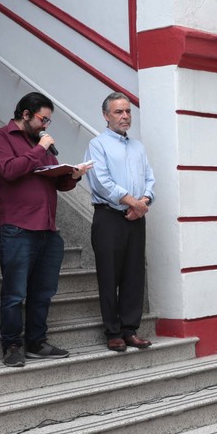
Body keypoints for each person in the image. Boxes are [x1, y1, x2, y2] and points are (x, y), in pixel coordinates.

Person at [0, 92, 92, 367]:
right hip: (17, 229)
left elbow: (56, 183)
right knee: (14, 293)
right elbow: (9, 170)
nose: (46, 125)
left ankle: (36, 342)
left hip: (48, 229)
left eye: (48, 121)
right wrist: (39, 149)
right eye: (43, 119)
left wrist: (73, 175)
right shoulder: (0, 138)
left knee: (43, 292)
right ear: (26, 114)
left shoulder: (40, 144)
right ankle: (12, 345)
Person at [84, 92, 156, 352]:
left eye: (127, 111)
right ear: (106, 116)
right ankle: (113, 332)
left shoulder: (138, 147)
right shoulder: (97, 145)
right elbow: (101, 182)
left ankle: (130, 330)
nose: (125, 116)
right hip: (109, 217)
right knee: (109, 274)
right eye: (118, 112)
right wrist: (133, 203)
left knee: (134, 275)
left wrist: (143, 202)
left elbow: (149, 179)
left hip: (136, 218)